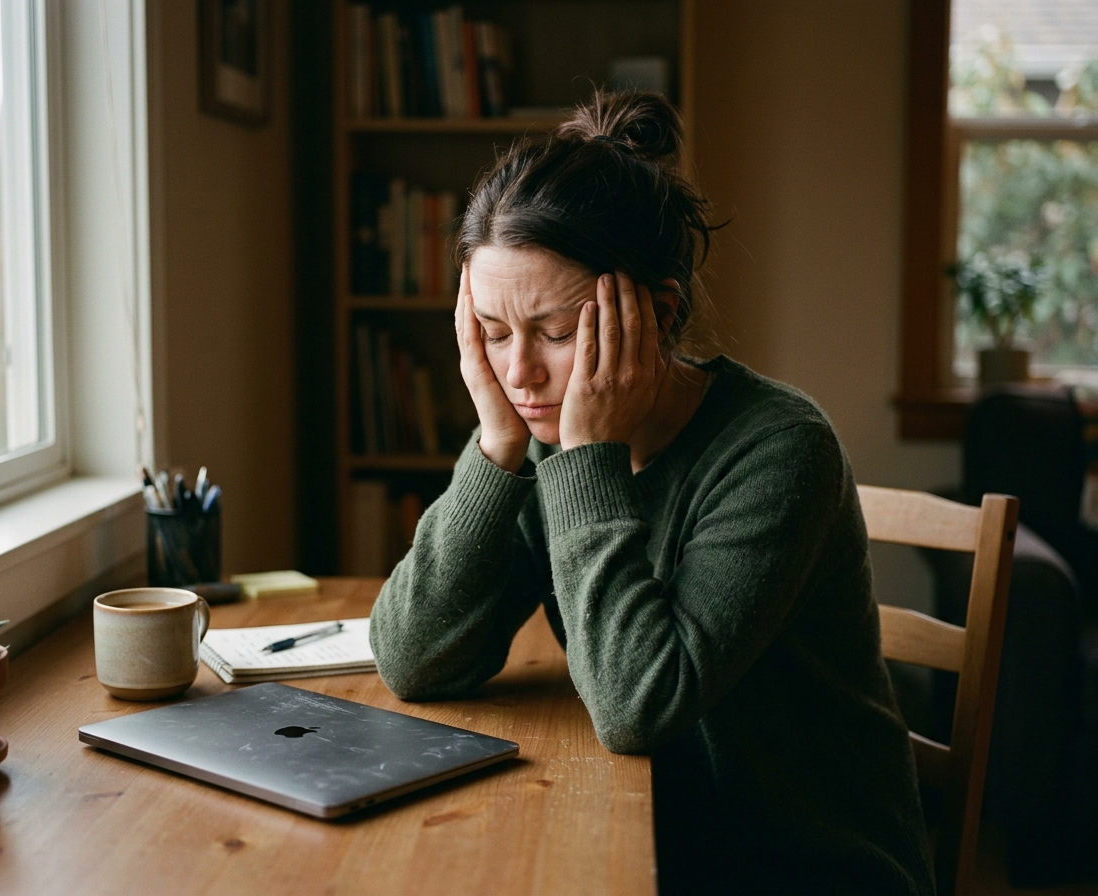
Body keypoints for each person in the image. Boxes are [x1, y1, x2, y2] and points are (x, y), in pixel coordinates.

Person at [368, 90, 934, 895]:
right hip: (646, 841)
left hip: (804, 867)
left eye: (556, 334)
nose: (518, 372)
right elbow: (411, 657)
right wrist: (496, 450)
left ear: (655, 314)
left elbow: (639, 704)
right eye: (492, 334)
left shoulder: (779, 450)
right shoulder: (537, 436)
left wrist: (585, 454)